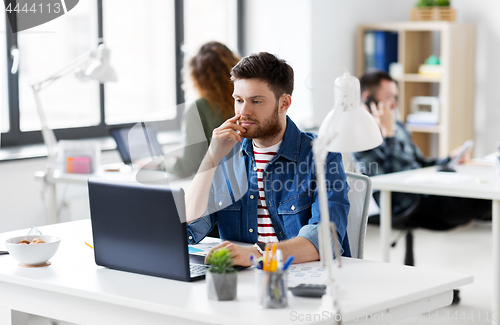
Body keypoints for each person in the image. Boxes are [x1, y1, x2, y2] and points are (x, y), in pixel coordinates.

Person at [185, 52, 351, 266]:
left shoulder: (321, 155)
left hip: (301, 277)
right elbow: (189, 227)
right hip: (241, 282)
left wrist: (257, 254)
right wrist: (211, 158)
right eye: (238, 100)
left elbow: (326, 238)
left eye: (256, 101)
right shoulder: (226, 156)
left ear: (284, 103)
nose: (244, 111)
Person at [354, 70, 491, 229]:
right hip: (405, 204)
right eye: (389, 97)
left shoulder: (397, 126)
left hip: (424, 192)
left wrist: (449, 159)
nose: (394, 104)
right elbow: (391, 178)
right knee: (483, 203)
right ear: (367, 98)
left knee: (483, 197)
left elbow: (420, 163)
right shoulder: (360, 135)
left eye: (395, 97)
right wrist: (389, 134)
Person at [161, 41, 241, 177]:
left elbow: (186, 167)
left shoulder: (198, 108)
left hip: (216, 188)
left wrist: (161, 163)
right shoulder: (245, 103)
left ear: (197, 76)